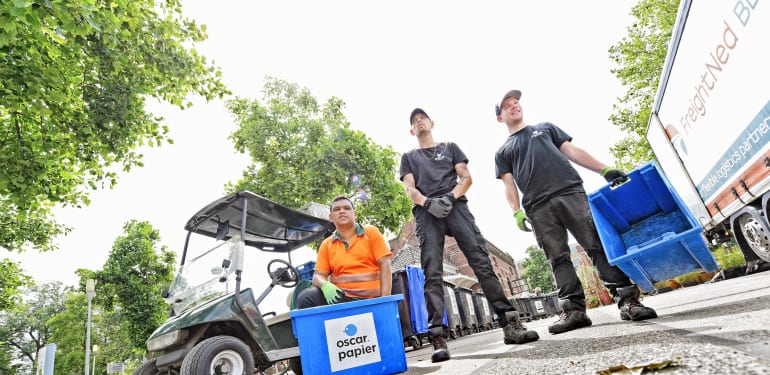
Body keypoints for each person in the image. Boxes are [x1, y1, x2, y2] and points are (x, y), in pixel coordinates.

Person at [493, 89, 658, 335]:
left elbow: (573, 151)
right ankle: (574, 311)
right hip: (538, 207)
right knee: (557, 257)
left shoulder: (545, 128)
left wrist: (604, 170)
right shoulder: (503, 152)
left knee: (595, 245)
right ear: (500, 117)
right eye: (508, 105)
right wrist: (516, 211)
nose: (514, 106)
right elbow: (509, 184)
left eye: (516, 102)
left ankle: (628, 300)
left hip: (569, 193)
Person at [400, 108, 539, 363]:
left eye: (422, 118)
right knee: (432, 272)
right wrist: (428, 203)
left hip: (456, 205)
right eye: (414, 121)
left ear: (432, 122)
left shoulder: (450, 147)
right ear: (412, 130)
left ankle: (510, 323)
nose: (419, 121)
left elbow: (466, 177)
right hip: (426, 212)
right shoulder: (409, 157)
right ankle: (438, 338)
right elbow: (410, 188)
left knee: (481, 262)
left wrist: (450, 197)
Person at [296, 196, 392, 309]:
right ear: (331, 217)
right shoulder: (327, 244)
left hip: (372, 299)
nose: (342, 211)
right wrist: (325, 285)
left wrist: (385, 301)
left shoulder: (371, 232)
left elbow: (385, 263)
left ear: (355, 214)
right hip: (341, 299)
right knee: (306, 298)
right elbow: (318, 276)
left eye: (346, 208)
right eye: (337, 209)